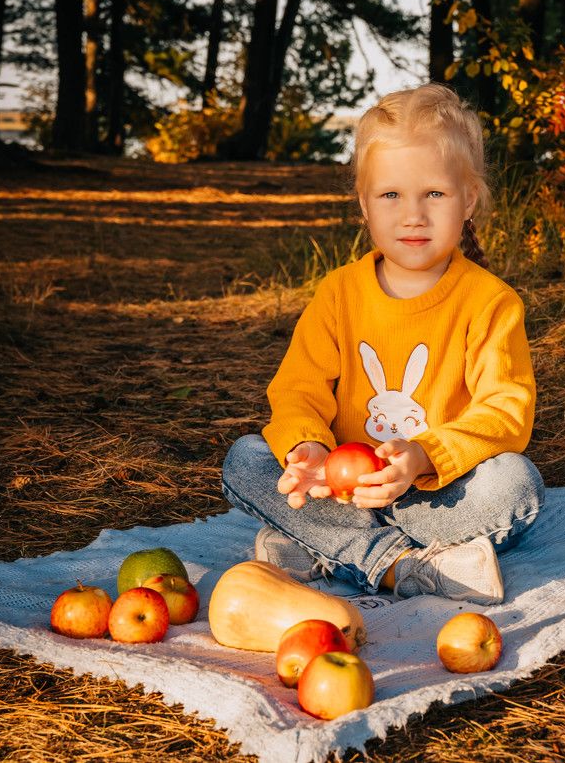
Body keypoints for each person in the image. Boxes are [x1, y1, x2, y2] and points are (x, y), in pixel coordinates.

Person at [221, 83, 544, 604]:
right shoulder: (339, 294)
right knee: (247, 460)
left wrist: (422, 455)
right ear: (364, 206)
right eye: (391, 195)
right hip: (341, 494)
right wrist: (308, 449)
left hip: (436, 495)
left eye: (434, 193)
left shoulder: (490, 301)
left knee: (516, 483)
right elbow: (298, 390)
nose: (412, 214)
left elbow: (506, 412)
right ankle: (400, 564)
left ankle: (327, 549)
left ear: (468, 200)